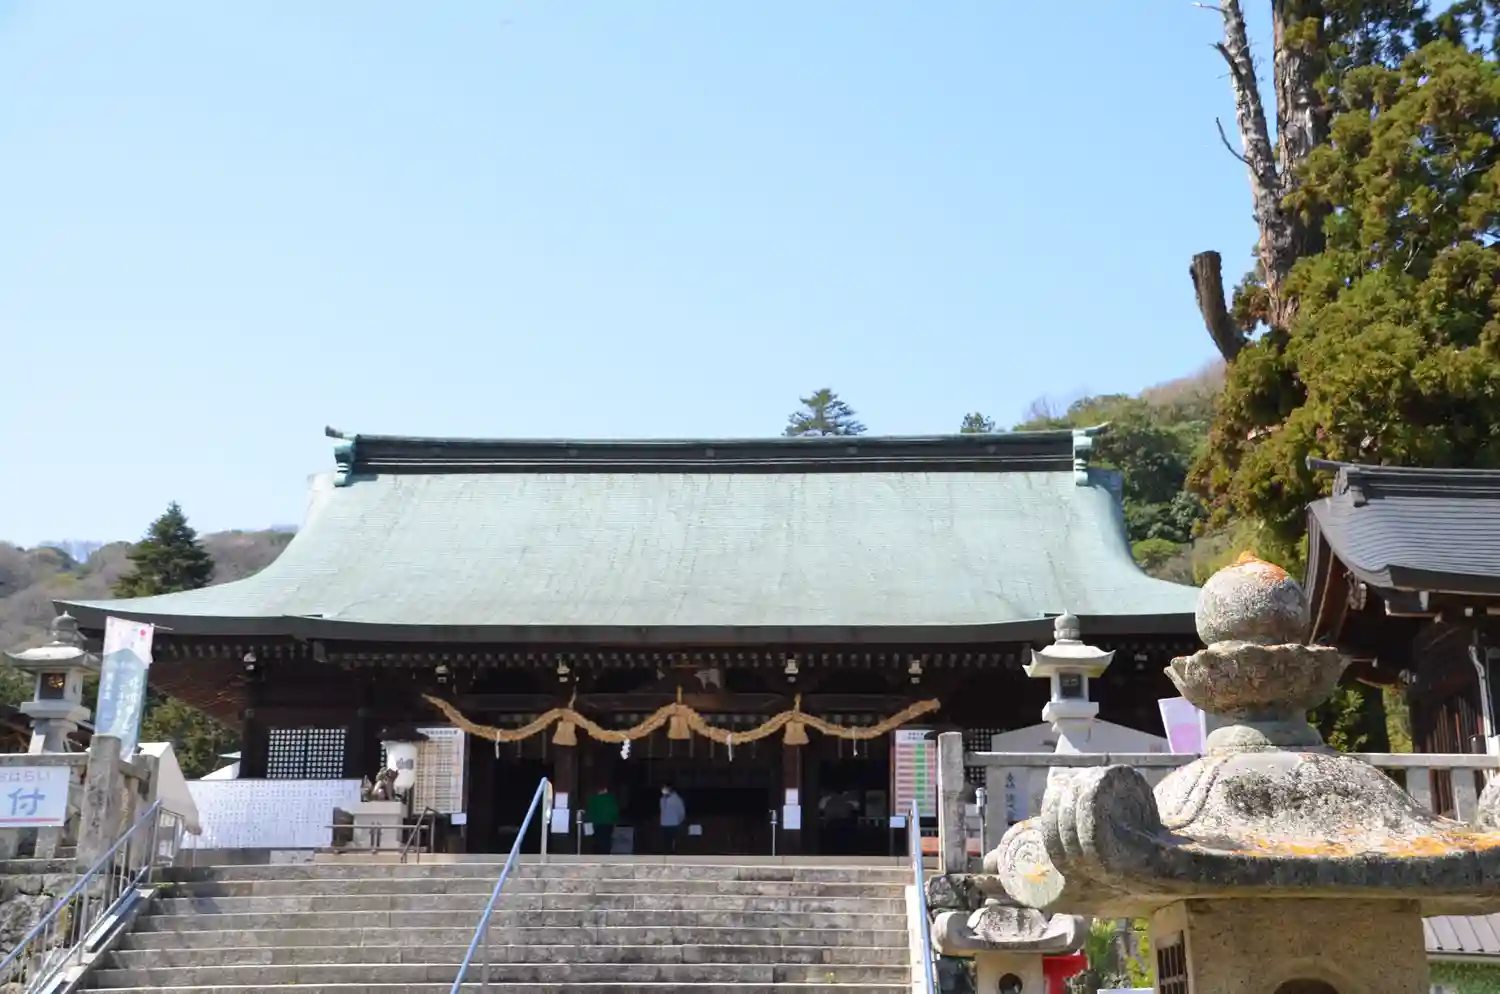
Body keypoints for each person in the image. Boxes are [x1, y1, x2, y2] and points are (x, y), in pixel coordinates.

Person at [585, 785, 618, 855]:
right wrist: (615, 821)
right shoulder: (611, 799)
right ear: (605, 790)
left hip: (596, 823)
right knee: (606, 839)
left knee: (597, 839)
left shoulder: (592, 799)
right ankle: (606, 853)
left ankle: (597, 853)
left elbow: (589, 812)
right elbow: (615, 812)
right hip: (608, 823)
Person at [659, 784, 686, 854]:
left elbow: (681, 812)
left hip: (674, 824)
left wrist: (679, 821)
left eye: (665, 788)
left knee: (673, 843)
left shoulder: (676, 799)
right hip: (664, 824)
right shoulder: (662, 799)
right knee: (665, 844)